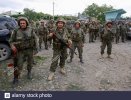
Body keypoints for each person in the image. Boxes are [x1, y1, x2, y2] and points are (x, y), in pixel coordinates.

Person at [10, 17, 38, 84]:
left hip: (30, 49)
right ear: (19, 23)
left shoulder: (31, 30)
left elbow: (35, 39)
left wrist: (36, 49)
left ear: (26, 23)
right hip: (20, 51)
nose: (22, 24)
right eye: (21, 23)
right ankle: (16, 77)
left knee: (30, 63)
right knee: (18, 64)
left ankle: (29, 72)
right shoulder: (16, 31)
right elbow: (11, 41)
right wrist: (12, 46)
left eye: (24, 23)